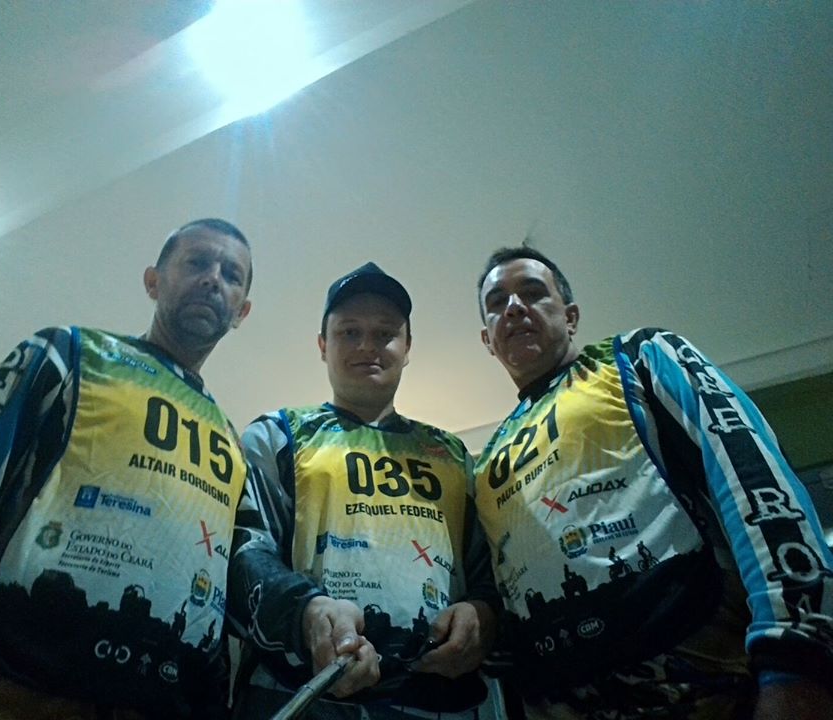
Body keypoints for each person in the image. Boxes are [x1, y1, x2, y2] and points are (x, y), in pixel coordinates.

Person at [0, 218, 255, 719]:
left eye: (231, 274)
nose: (212, 279)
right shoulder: (67, 354)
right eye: (197, 262)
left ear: (242, 312)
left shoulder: (231, 441)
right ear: (153, 281)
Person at [473, 245, 833, 719]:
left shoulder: (639, 354)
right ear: (488, 339)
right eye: (497, 302)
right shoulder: (484, 462)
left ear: (571, 316)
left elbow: (748, 469)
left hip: (711, 683)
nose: (514, 307)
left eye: (533, 292)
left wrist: (797, 654)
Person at [227, 262, 499, 718]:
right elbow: (243, 552)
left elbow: (489, 571)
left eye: (385, 333)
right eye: (349, 332)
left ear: (407, 347)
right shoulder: (277, 435)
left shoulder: (452, 455)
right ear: (323, 345)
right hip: (300, 698)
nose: (367, 346)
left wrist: (483, 614)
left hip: (439, 704)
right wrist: (306, 613)